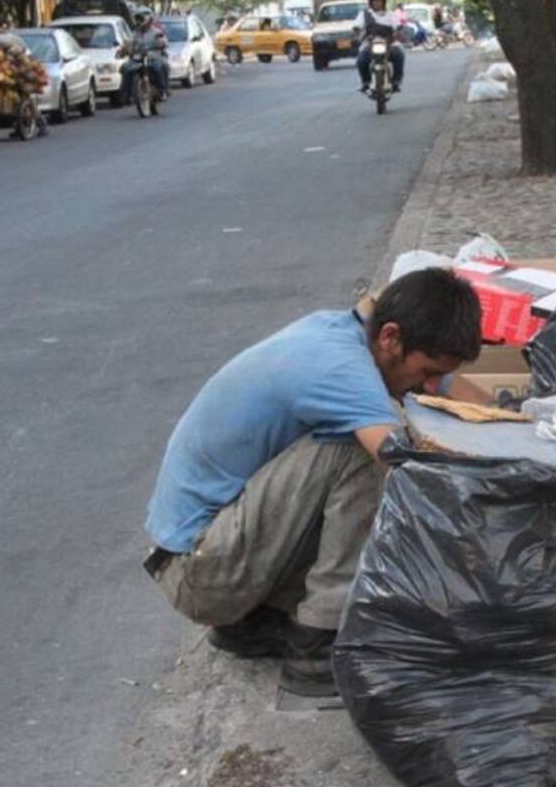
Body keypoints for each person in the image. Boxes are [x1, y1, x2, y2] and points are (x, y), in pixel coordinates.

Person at [143, 268, 486, 695]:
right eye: (427, 371)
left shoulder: (349, 332)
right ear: (391, 338)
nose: (431, 385)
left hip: (208, 552)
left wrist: (521, 425)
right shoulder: (340, 369)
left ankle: (253, 623)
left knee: (375, 441)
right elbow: (410, 473)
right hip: (200, 572)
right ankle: (319, 645)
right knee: (363, 453)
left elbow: (462, 395)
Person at [353, 0, 405, 93]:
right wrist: (357, 33)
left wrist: (397, 33)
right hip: (370, 44)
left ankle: (396, 81)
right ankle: (366, 82)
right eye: (374, 1)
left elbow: (398, 27)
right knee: (361, 60)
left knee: (399, 55)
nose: (377, 3)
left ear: (383, 2)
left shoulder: (390, 14)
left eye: (379, 0)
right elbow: (357, 27)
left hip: (389, 43)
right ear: (371, 2)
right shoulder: (364, 14)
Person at [118, 6, 170, 103]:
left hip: (153, 58)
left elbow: (164, 42)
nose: (138, 21)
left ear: (147, 18)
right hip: (137, 59)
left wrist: (161, 43)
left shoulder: (156, 31)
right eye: (136, 18)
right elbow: (129, 43)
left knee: (158, 67)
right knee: (125, 68)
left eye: (140, 18)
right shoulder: (135, 33)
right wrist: (124, 50)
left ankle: (162, 91)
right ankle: (126, 93)